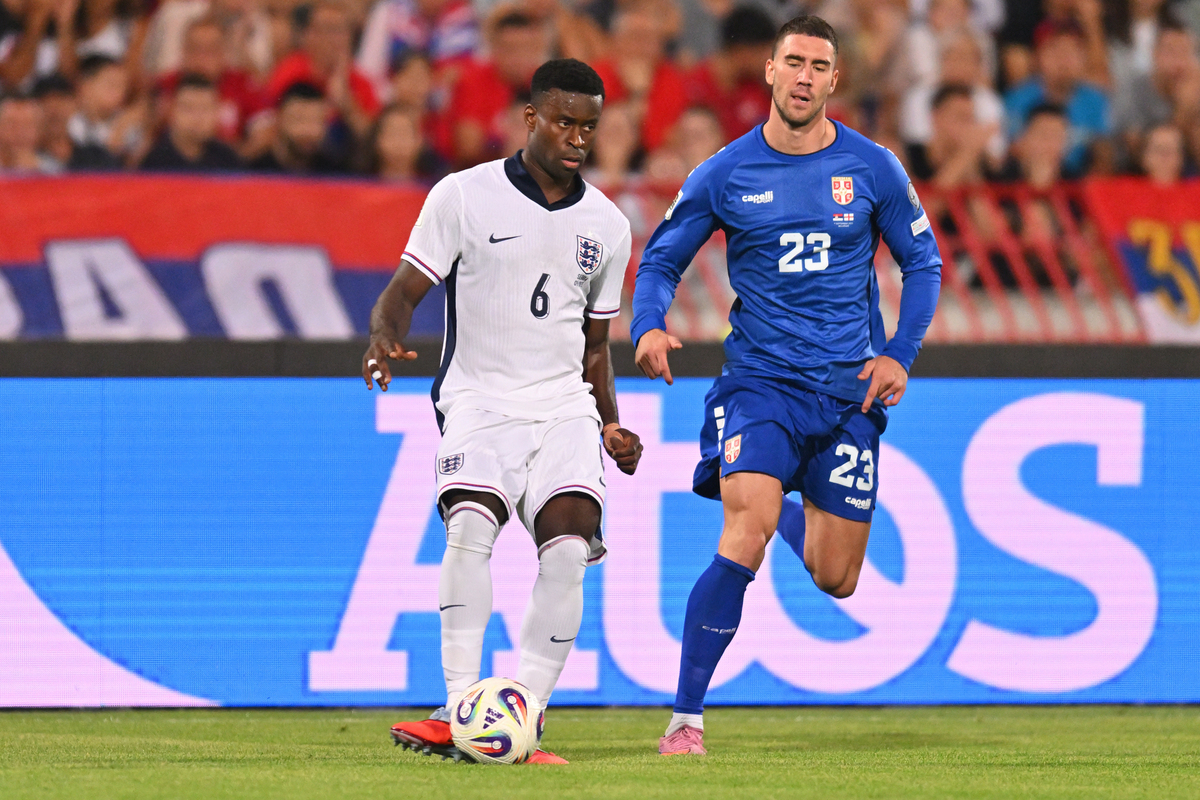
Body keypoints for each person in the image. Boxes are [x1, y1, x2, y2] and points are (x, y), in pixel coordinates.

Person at [630, 15, 941, 755]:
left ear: (835, 80)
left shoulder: (874, 168)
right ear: (768, 70)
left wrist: (899, 352)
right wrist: (648, 324)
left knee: (838, 580)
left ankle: (793, 508)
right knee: (746, 527)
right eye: (793, 61)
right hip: (759, 385)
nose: (804, 76)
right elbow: (661, 259)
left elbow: (922, 264)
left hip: (847, 395)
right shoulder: (725, 172)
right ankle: (685, 720)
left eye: (818, 65)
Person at [367, 58, 641, 765]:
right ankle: (461, 709)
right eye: (564, 121)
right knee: (469, 528)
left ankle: (526, 715)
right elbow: (405, 288)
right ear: (531, 118)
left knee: (572, 546)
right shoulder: (463, 195)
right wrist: (381, 335)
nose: (577, 136)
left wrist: (608, 421)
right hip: (480, 398)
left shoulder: (609, 226)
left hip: (562, 407)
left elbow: (595, 345)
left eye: (589, 125)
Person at [140, 72, 241, 170]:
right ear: (172, 111)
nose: (198, 117)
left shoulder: (228, 161)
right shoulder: (154, 162)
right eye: (189, 108)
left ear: (216, 112)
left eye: (205, 108)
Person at [247, 80, 344, 172]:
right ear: (279, 119)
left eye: (317, 121)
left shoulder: (335, 173)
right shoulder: (254, 173)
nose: (308, 130)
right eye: (299, 120)